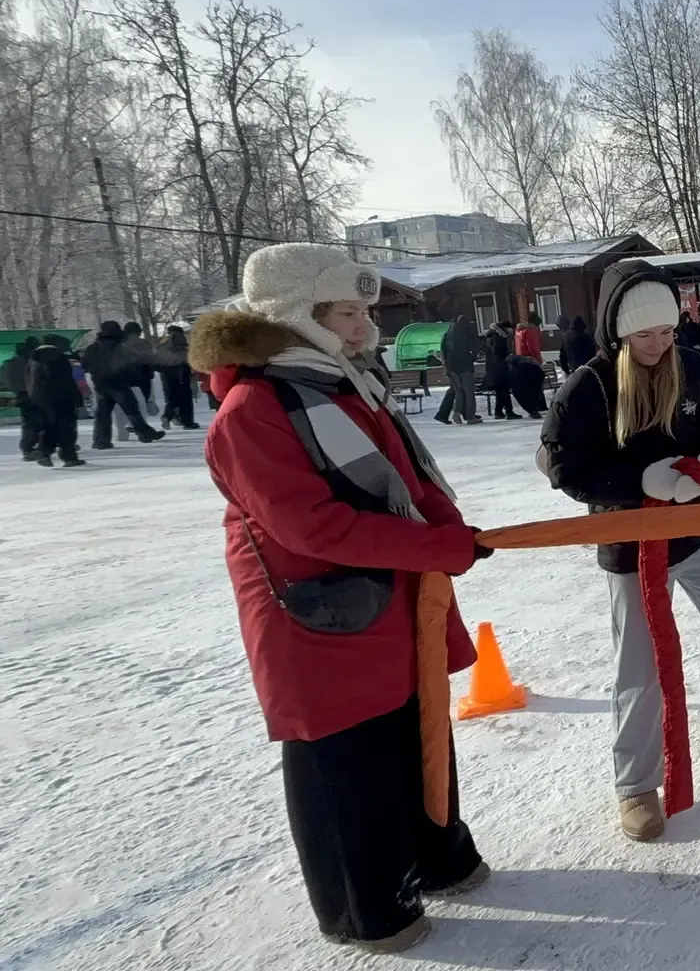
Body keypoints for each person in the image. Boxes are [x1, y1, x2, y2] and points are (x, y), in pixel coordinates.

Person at [191, 242, 491, 954]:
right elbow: (311, 526)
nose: (364, 328)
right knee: (346, 758)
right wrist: (433, 548)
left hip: (388, 592)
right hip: (317, 611)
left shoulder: (345, 386)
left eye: (364, 313)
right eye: (346, 314)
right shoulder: (254, 408)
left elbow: (407, 480)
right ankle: (366, 907)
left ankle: (436, 855)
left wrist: (446, 527)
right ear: (297, 316)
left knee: (413, 725)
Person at [540, 258, 700, 843]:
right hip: (630, 545)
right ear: (618, 333)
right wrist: (637, 484)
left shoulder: (696, 368)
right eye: (644, 334)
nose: (658, 344)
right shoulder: (590, 386)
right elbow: (562, 464)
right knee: (638, 666)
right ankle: (635, 784)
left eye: (666, 331)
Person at [80, 321, 163, 449]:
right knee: (131, 410)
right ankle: (145, 433)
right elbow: (133, 364)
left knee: (103, 414)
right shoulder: (121, 346)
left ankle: (101, 441)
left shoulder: (94, 347)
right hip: (119, 383)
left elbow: (85, 365)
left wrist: (96, 371)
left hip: (101, 384)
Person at [25, 340, 83, 467]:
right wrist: (77, 398)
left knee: (49, 427)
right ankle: (69, 457)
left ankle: (44, 452)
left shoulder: (33, 360)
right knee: (67, 428)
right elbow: (66, 380)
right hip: (61, 398)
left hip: (39, 399)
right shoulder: (57, 357)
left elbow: (28, 380)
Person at [435, 316, 481, 425]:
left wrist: (446, 366)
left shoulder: (447, 333)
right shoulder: (467, 332)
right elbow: (474, 348)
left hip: (451, 366)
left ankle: (456, 413)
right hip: (465, 365)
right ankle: (470, 416)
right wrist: (472, 358)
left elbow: (443, 350)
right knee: (469, 392)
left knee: (458, 391)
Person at [157, 325, 200, 430]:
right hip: (181, 369)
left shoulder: (162, 344)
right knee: (185, 397)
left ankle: (167, 416)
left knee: (172, 397)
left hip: (166, 371)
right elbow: (188, 356)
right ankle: (188, 422)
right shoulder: (181, 339)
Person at [4, 338, 35, 461]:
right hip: (29, 394)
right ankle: (29, 448)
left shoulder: (8, 364)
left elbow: (6, 381)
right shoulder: (28, 363)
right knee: (33, 422)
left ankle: (28, 448)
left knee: (28, 422)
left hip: (20, 394)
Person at [482, 321, 518, 419]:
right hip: (499, 367)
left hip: (493, 368)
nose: (511, 330)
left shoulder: (491, 336)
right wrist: (507, 358)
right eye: (510, 328)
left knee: (500, 390)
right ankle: (509, 412)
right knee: (504, 389)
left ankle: (498, 412)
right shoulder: (498, 337)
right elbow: (498, 352)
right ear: (505, 328)